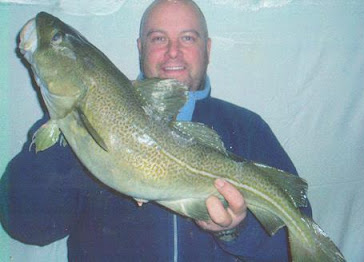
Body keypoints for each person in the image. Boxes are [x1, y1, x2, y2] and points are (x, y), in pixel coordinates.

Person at [0, 0, 312, 261]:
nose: (173, 51)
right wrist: (69, 129)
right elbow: (25, 226)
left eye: (188, 38)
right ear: (140, 47)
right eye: (158, 38)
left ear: (208, 48)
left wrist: (235, 231)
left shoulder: (248, 128)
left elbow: (293, 242)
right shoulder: (65, 136)